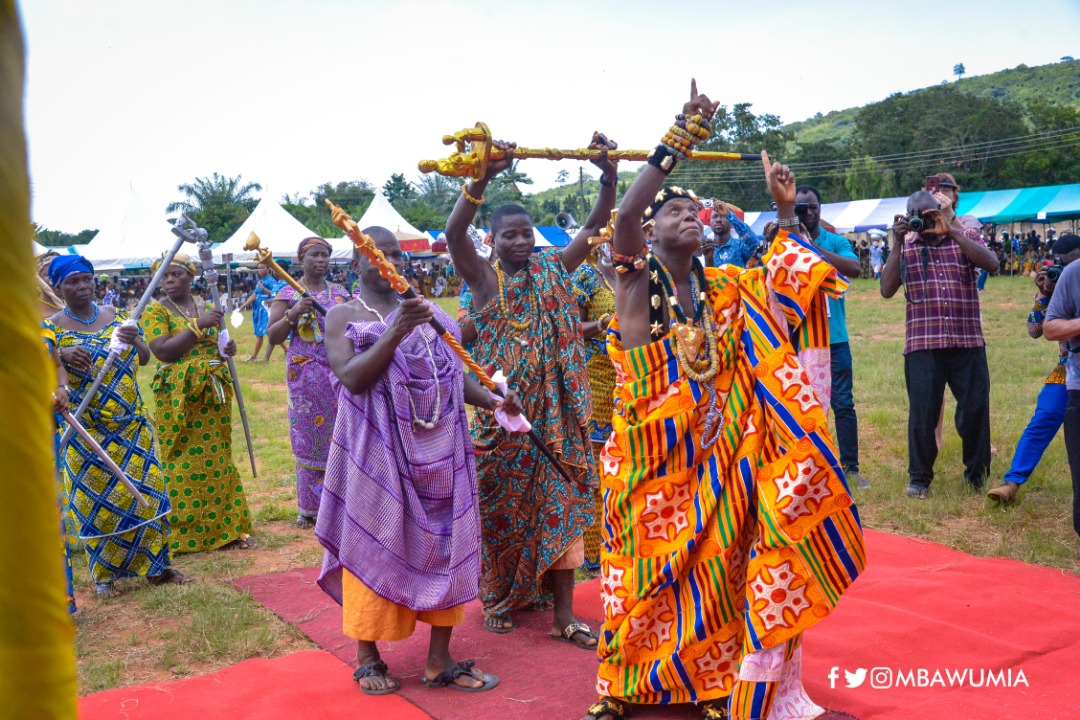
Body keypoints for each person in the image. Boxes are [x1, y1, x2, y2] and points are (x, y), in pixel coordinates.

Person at [582, 81, 865, 720]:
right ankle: (620, 687)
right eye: (674, 214)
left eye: (695, 213)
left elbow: (786, 288)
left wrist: (785, 212)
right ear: (650, 233)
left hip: (715, 453)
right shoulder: (632, 277)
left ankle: (711, 685)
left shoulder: (726, 290)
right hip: (648, 454)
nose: (691, 218)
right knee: (641, 576)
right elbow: (624, 216)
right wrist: (678, 139)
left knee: (719, 570)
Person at [317, 227, 526, 694]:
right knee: (374, 537)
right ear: (356, 264)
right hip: (376, 453)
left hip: (441, 451)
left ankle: (439, 661)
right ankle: (368, 657)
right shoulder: (342, 316)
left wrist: (493, 401)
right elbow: (353, 378)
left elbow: (453, 376)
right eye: (376, 253)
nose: (389, 260)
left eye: (395, 253)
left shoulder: (432, 314)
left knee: (447, 545)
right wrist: (395, 330)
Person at [444, 132, 618, 646]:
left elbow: (593, 226)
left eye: (526, 235)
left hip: (559, 418)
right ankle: (498, 597)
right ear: (492, 241)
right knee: (503, 511)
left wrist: (607, 175)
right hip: (505, 419)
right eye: (509, 236)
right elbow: (455, 235)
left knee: (561, 509)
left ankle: (564, 614)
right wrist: (480, 180)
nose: (520, 243)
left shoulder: (553, 270)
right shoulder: (483, 282)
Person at [49, 255, 188, 595]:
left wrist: (134, 337)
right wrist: (62, 356)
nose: (81, 287)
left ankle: (157, 567)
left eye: (86, 279)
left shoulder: (116, 316)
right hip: (87, 429)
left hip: (130, 424)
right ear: (58, 288)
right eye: (72, 282)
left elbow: (143, 356)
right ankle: (106, 577)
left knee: (147, 492)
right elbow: (37, 362)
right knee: (98, 501)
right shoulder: (52, 327)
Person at [880, 189, 1000, 499]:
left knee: (975, 410)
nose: (925, 220)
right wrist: (897, 242)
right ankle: (919, 478)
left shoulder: (964, 234)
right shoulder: (906, 245)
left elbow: (992, 264)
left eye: (930, 213)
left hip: (967, 339)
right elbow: (886, 289)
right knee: (923, 413)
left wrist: (952, 228)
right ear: (908, 217)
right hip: (923, 343)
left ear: (940, 210)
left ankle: (976, 476)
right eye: (917, 215)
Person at [142, 253, 254, 552]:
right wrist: (197, 326)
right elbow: (163, 351)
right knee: (180, 458)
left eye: (175, 274)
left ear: (191, 276)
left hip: (211, 389)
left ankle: (226, 529)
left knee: (217, 456)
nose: (169, 280)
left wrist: (225, 347)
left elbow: (218, 344)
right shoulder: (155, 312)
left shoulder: (205, 305)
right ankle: (184, 532)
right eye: (163, 275)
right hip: (178, 395)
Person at [267, 237, 352, 528]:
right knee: (308, 436)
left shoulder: (341, 293)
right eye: (315, 255)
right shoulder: (287, 291)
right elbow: (273, 336)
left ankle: (343, 502)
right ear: (301, 259)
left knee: (343, 434)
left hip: (338, 374)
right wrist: (293, 313)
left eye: (325, 255)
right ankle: (310, 508)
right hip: (305, 378)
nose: (321, 260)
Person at [988, 235, 1080, 504]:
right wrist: (1044, 293)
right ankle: (1012, 482)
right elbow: (1034, 330)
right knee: (1044, 417)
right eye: (1062, 266)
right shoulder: (1057, 283)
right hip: (1068, 367)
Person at [795, 185, 867, 487]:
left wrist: (811, 246)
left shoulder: (835, 242)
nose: (809, 213)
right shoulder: (786, 244)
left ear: (820, 208)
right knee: (799, 405)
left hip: (834, 339)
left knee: (842, 403)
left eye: (813, 207)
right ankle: (805, 465)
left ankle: (850, 468)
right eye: (801, 209)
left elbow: (855, 268)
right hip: (797, 339)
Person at [571, 242, 617, 575]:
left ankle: (623, 545)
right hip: (597, 384)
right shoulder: (586, 276)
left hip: (633, 381)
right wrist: (603, 324)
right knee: (597, 473)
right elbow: (571, 330)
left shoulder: (642, 272)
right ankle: (594, 557)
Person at [1041, 238, 1080, 544]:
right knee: (1040, 422)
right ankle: (1014, 479)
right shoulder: (1073, 275)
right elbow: (1042, 328)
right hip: (1072, 379)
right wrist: (1043, 294)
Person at [237, 264, 285, 362]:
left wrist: (263, 288)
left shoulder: (272, 281)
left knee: (268, 332)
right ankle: (285, 349)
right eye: (258, 268)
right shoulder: (260, 282)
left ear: (268, 268)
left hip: (266, 310)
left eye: (263, 268)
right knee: (260, 333)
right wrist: (242, 307)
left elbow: (275, 294)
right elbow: (254, 296)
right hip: (258, 310)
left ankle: (254, 356)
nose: (260, 270)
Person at [701, 199, 760, 268]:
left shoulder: (739, 246)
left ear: (730, 221)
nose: (718, 220)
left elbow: (753, 242)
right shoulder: (706, 247)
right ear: (710, 222)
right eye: (715, 216)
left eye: (723, 216)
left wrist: (730, 215)